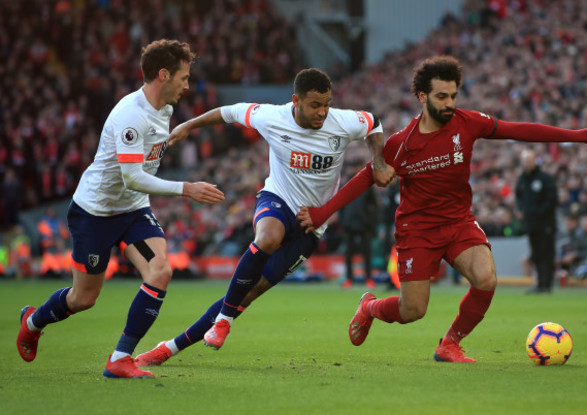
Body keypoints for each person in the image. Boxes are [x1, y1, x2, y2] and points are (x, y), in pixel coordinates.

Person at [297, 55, 587, 362]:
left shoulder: (468, 123)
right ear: (422, 96)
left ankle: (449, 344)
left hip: (458, 222)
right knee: (412, 310)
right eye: (442, 96)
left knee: (486, 279)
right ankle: (369, 307)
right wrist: (322, 213)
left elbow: (518, 130)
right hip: (417, 230)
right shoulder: (401, 144)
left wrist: (575, 136)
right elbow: (363, 180)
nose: (449, 103)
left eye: (454, 96)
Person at [133, 68, 395, 367]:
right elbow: (228, 112)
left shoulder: (343, 122)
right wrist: (189, 126)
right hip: (278, 199)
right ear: (295, 100)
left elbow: (373, 124)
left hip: (312, 226)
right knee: (268, 238)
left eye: (327, 103)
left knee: (248, 293)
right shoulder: (271, 117)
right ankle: (224, 322)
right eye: (315, 105)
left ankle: (171, 347)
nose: (322, 111)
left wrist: (379, 160)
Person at [16, 39, 225, 379]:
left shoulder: (166, 110)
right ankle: (33, 320)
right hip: (95, 213)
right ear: (163, 75)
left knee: (161, 272)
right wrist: (185, 189)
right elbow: (131, 176)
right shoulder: (131, 115)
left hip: (132, 211)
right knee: (83, 299)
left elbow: (142, 169)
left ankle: (120, 358)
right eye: (183, 78)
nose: (188, 86)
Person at [515, 149, 558, 294]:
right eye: (525, 161)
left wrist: (536, 212)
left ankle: (547, 284)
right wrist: (521, 210)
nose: (527, 163)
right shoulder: (522, 179)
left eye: (529, 160)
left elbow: (552, 200)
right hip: (531, 224)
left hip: (545, 223)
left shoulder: (544, 178)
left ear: (535, 161)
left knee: (547, 253)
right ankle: (540, 283)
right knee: (536, 254)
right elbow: (519, 196)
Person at [339, 163, 378, 289]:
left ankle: (368, 279)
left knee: (366, 252)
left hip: (363, 223)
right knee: (349, 253)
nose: (354, 169)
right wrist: (343, 220)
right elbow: (340, 204)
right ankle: (349, 278)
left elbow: (374, 206)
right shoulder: (345, 184)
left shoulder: (367, 185)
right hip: (349, 223)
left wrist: (369, 220)